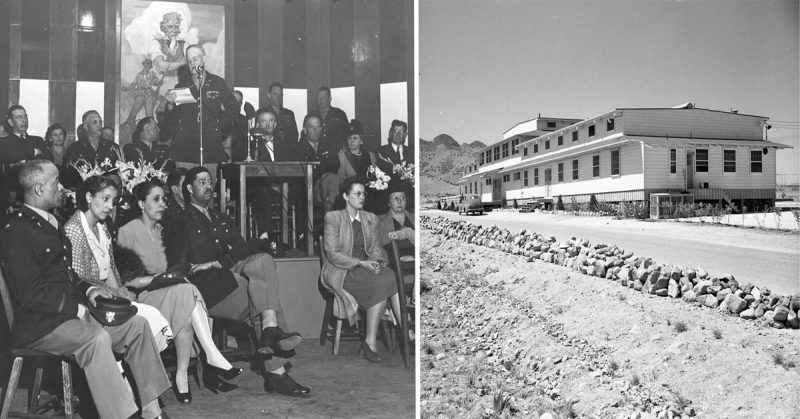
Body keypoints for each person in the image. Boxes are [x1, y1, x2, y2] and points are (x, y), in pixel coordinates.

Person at [0, 160, 171, 419]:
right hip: (42, 325)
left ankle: (151, 409)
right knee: (96, 339)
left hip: (70, 317)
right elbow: (29, 293)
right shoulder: (16, 232)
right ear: (37, 189)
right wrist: (76, 308)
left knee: (137, 326)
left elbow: (68, 276)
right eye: (55, 182)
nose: (61, 187)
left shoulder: (51, 223)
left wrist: (88, 291)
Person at [176, 166, 311, 396]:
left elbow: (244, 249)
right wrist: (222, 260)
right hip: (207, 288)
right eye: (202, 182)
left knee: (263, 261)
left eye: (210, 182)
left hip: (228, 276)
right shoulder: (181, 221)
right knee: (264, 299)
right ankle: (276, 370)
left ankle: (269, 331)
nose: (209, 187)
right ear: (189, 188)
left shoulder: (220, 217)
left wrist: (219, 261)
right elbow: (199, 259)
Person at [117, 180, 242, 402]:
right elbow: (130, 281)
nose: (163, 204)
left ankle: (183, 374)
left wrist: (171, 276)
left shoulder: (167, 230)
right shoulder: (127, 231)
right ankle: (209, 354)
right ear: (140, 203)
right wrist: (161, 278)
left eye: (164, 199)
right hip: (143, 296)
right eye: (155, 199)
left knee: (185, 299)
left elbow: (181, 264)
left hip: (170, 290)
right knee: (186, 292)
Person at [322, 177, 401, 363]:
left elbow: (376, 247)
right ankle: (374, 340)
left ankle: (403, 328)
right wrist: (361, 263)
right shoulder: (333, 218)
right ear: (345, 196)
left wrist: (376, 261)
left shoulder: (370, 218)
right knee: (380, 281)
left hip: (365, 267)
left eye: (363, 193)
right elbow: (332, 254)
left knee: (389, 274)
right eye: (357, 193)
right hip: (342, 270)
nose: (362, 197)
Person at [163, 44, 238, 173]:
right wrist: (170, 104)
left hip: (210, 143)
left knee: (208, 184)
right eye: (189, 60)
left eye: (196, 58)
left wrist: (220, 125)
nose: (193, 63)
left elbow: (233, 107)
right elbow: (171, 119)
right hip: (185, 145)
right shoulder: (181, 85)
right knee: (185, 186)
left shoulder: (217, 83)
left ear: (203, 59)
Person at [321, 119, 381, 213]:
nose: (351, 141)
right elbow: (340, 179)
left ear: (361, 141)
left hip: (369, 193)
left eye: (355, 138)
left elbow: (375, 176)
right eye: (349, 138)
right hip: (350, 193)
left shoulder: (371, 155)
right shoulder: (341, 156)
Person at [63, 110, 122, 189]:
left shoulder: (113, 147)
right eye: (95, 122)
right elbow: (68, 175)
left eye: (100, 122)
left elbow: (119, 172)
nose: (99, 125)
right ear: (86, 127)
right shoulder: (74, 148)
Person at [307, 86, 349, 152]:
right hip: (316, 153)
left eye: (323, 98)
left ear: (329, 99)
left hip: (336, 154)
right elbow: (305, 135)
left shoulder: (339, 114)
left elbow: (346, 134)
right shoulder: (311, 115)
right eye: (318, 98)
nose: (320, 100)